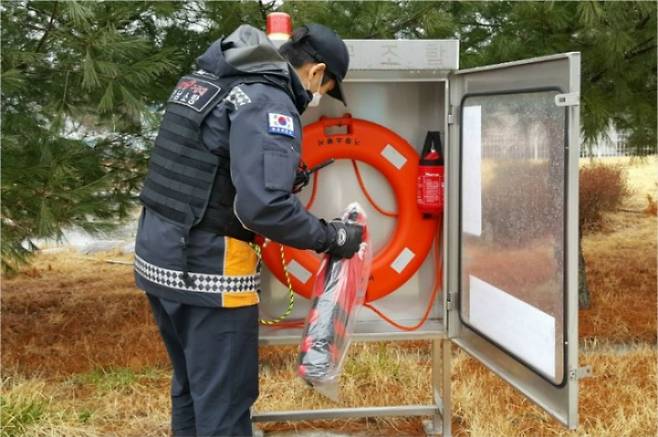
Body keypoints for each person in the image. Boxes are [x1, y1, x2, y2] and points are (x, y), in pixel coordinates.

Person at [133, 22, 363, 437]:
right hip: (207, 272)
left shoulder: (211, 79)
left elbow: (207, 167)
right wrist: (332, 237)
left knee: (191, 390)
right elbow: (265, 208)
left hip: (159, 260)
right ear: (316, 72)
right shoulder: (267, 101)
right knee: (224, 403)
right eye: (325, 89)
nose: (318, 98)